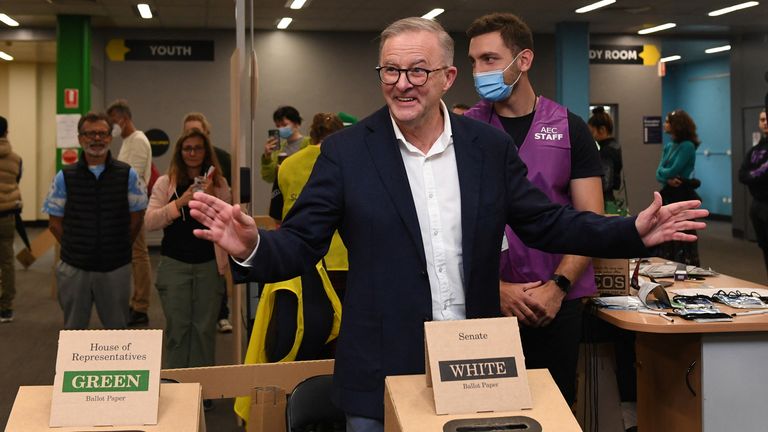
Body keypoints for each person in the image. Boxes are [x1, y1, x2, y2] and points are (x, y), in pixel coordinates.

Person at [188, 17, 707, 431]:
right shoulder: (347, 153)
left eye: (418, 71)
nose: (402, 84)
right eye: (390, 71)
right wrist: (252, 245)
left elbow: (546, 223)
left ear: (447, 78)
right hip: (380, 370)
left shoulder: (487, 148)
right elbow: (302, 243)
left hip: (475, 363)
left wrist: (631, 231)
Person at [464, 12, 604, 405]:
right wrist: (495, 289)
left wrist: (558, 287)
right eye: (473, 61)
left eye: (489, 59)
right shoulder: (465, 132)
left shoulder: (569, 128)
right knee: (484, 410)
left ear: (523, 60)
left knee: (553, 406)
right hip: (486, 300)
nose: (478, 72)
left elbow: (589, 220)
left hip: (556, 300)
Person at [42, 112, 147, 329]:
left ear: (110, 137)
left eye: (102, 133)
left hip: (115, 267)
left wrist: (119, 246)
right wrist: (75, 247)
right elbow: (54, 223)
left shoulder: (127, 175)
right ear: (80, 138)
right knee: (74, 331)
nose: (96, 138)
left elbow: (137, 219)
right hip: (74, 268)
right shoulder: (64, 177)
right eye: (90, 134)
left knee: (117, 331)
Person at [145, 129, 230, 376]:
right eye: (187, 148)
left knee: (204, 330)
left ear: (206, 153)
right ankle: (175, 384)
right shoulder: (165, 183)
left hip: (209, 265)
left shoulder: (220, 184)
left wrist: (211, 195)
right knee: (178, 329)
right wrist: (180, 202)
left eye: (198, 148)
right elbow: (150, 221)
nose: (192, 153)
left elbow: (229, 221)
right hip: (174, 265)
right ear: (180, 153)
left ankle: (204, 387)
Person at [279, 113, 348, 295]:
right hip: (343, 260)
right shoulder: (348, 162)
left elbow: (279, 211)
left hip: (302, 259)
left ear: (312, 135)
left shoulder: (287, 165)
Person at [182, 112, 234, 333]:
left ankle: (222, 314)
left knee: (218, 272)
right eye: (188, 132)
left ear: (207, 133)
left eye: (198, 131)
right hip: (187, 226)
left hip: (216, 225)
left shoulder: (221, 158)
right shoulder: (180, 161)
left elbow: (230, 193)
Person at [107, 99, 153, 326]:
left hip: (132, 208)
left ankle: (141, 306)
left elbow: (132, 179)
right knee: (132, 257)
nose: (111, 127)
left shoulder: (138, 141)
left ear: (124, 119)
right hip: (122, 208)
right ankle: (134, 302)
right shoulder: (127, 141)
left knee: (138, 256)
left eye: (113, 121)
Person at [656, 109, 701, 266]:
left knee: (682, 232)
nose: (664, 124)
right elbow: (658, 173)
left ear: (677, 125)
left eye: (667, 121)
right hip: (668, 194)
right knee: (667, 233)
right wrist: (666, 177)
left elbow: (672, 170)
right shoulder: (669, 146)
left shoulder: (687, 146)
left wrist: (663, 173)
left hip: (681, 195)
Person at [739, 109, 768, 276]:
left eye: (767, 119)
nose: (765, 122)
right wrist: (758, 174)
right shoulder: (754, 150)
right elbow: (742, 175)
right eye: (762, 119)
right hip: (757, 205)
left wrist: (753, 175)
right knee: (765, 248)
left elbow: (750, 174)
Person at [0, 116, 22, 323]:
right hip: (6, 215)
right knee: (7, 262)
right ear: (6, 132)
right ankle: (5, 308)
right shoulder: (16, 159)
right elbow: (16, 180)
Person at [261, 106, 311, 183]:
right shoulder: (279, 148)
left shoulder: (309, 143)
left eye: (284, 125)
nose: (281, 129)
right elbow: (269, 178)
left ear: (296, 123)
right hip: (283, 189)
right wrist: (267, 157)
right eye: (278, 126)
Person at [589, 106, 625, 214]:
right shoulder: (615, 146)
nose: (591, 135)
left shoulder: (607, 151)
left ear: (602, 130)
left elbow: (605, 183)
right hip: (608, 198)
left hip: (605, 200)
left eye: (592, 131)